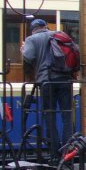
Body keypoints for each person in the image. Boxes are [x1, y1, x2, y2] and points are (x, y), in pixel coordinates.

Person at [22, 18, 74, 156]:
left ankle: (54, 150)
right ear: (46, 26)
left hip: (47, 81)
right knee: (67, 115)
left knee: (49, 115)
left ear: (33, 29)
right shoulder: (59, 35)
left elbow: (28, 58)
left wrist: (23, 51)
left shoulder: (31, 39)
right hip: (65, 80)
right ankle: (68, 150)